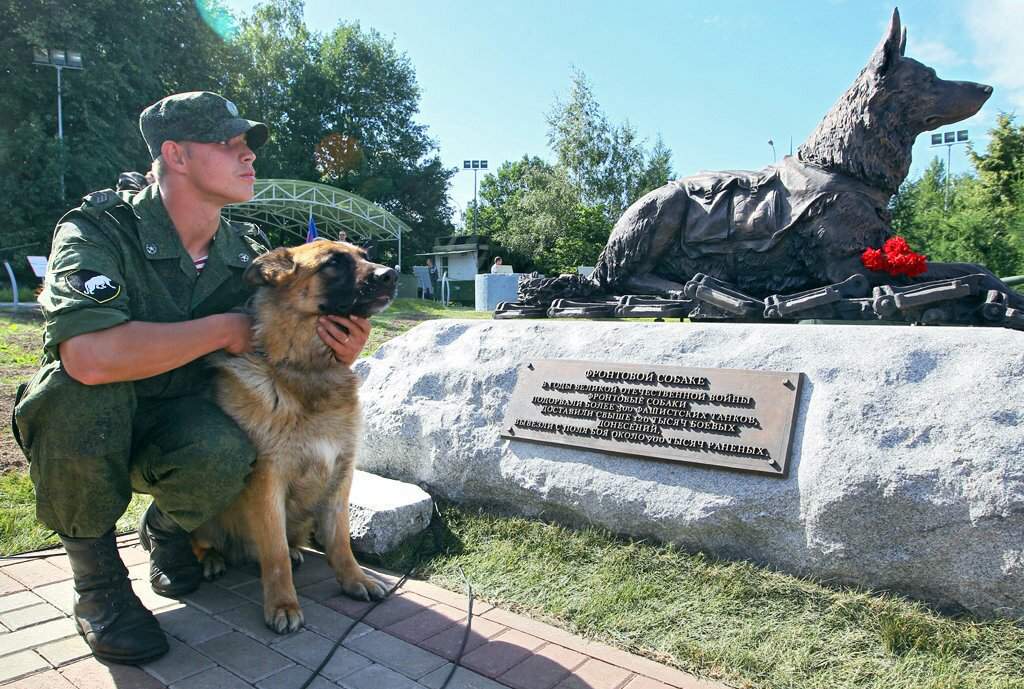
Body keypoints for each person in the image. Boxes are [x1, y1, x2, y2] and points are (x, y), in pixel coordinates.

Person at [12, 91, 373, 664]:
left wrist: (337, 350)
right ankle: (99, 587)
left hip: (179, 419)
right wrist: (223, 329)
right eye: (229, 144)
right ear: (176, 156)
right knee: (72, 396)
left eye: (249, 145)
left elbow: (286, 345)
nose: (248, 155)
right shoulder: (98, 230)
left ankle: (171, 526)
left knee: (227, 450)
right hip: (96, 420)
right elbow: (89, 357)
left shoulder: (246, 255)